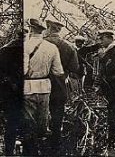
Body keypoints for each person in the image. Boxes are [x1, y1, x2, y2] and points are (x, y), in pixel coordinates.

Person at [23, 18, 65, 155]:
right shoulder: (52, 48)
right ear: (43, 30)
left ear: (31, 29)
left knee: (29, 120)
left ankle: (31, 150)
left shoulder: (25, 46)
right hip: (45, 88)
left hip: (28, 87)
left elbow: (22, 71)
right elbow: (58, 71)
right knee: (43, 120)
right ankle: (43, 148)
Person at [44, 18, 79, 153]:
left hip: (41, 84)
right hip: (60, 86)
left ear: (48, 28)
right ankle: (55, 146)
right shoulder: (69, 46)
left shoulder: (40, 44)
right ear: (59, 30)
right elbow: (75, 67)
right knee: (58, 115)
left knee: (39, 115)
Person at [96, 30, 115, 155]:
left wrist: (104, 58)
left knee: (113, 113)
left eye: (102, 38)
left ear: (110, 38)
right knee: (114, 111)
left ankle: (112, 142)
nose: (100, 41)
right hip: (109, 87)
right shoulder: (109, 51)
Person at [0, 30, 23, 156]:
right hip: (26, 93)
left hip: (10, 95)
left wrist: (9, 83)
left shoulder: (3, 51)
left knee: (11, 125)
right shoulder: (29, 50)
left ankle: (9, 153)